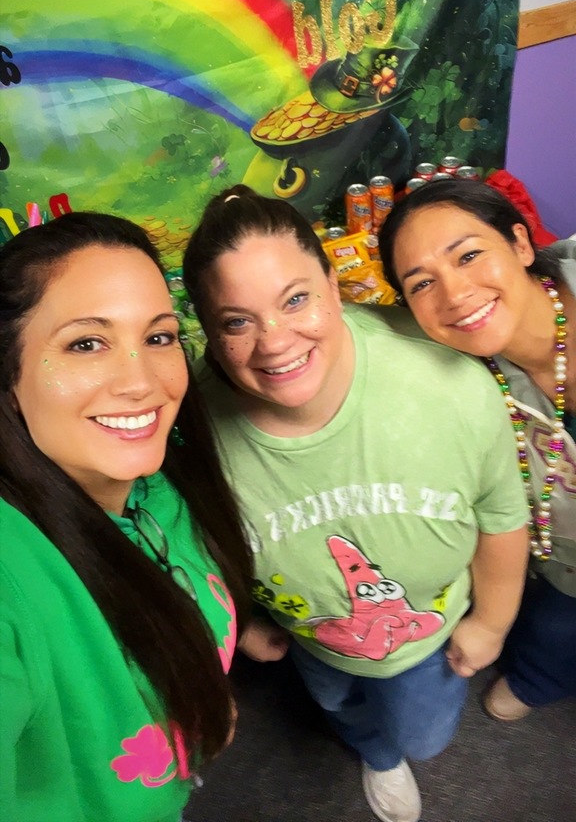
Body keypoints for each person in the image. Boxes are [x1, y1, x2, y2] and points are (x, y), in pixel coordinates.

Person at [182, 184, 529, 822]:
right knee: (340, 706)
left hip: (428, 642)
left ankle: (393, 747)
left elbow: (501, 514)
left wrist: (493, 622)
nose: (274, 341)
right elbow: (199, 540)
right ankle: (373, 753)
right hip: (309, 639)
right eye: (236, 321)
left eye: (295, 299)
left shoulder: (445, 381)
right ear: (205, 333)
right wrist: (240, 624)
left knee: (423, 737)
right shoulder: (192, 426)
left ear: (334, 287)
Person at [0, 212, 253, 822]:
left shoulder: (166, 477)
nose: (142, 382)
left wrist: (204, 696)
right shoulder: (13, 573)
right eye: (87, 343)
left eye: (159, 336)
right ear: (9, 374)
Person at [379, 176, 576, 724]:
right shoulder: (463, 383)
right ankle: (542, 677)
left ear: (519, 243)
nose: (455, 293)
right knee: (548, 637)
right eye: (421, 284)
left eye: (468, 255)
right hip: (566, 567)